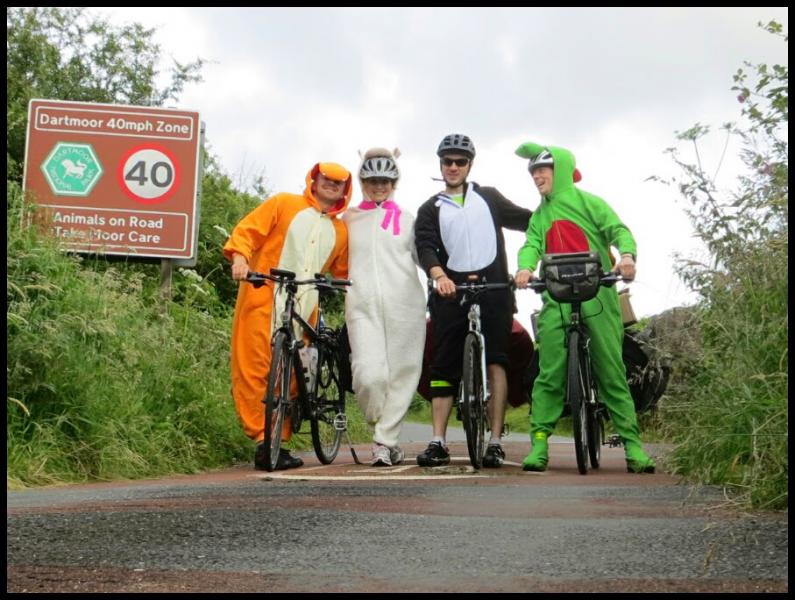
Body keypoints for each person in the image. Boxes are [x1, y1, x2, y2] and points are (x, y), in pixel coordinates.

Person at [513, 142, 656, 474]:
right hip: (556, 297)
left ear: (560, 169)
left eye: (542, 169)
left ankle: (633, 447)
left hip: (599, 294)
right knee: (548, 372)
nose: (537, 176)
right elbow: (531, 244)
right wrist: (524, 268)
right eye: (533, 171)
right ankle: (539, 443)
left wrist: (627, 256)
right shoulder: (540, 215)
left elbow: (618, 230)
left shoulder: (590, 203)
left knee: (611, 369)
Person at [223, 162, 352, 471]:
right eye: (326, 179)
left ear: (345, 189)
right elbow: (247, 232)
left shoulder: (341, 230)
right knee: (253, 369)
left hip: (306, 303)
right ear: (315, 179)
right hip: (263, 294)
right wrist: (240, 260)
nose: (331, 185)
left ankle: (278, 442)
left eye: (338, 182)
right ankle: (263, 442)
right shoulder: (283, 203)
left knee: (294, 374)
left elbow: (346, 272)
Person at [414, 133, 532, 468]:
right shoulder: (430, 207)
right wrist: (439, 277)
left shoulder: (489, 198)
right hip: (450, 292)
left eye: (459, 161)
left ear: (470, 165)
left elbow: (529, 221)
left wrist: (558, 215)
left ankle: (494, 441)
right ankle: (438, 441)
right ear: (440, 164)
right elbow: (425, 246)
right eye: (447, 161)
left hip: (494, 289)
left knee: (497, 361)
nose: (453, 167)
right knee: (443, 363)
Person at [343, 148, 426, 466]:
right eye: (373, 180)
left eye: (386, 181)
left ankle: (384, 440)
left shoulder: (408, 219)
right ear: (363, 181)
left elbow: (425, 257)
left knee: (403, 373)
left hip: (405, 305)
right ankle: (378, 423)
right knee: (369, 376)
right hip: (362, 304)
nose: (379, 186)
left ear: (395, 183)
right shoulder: (348, 219)